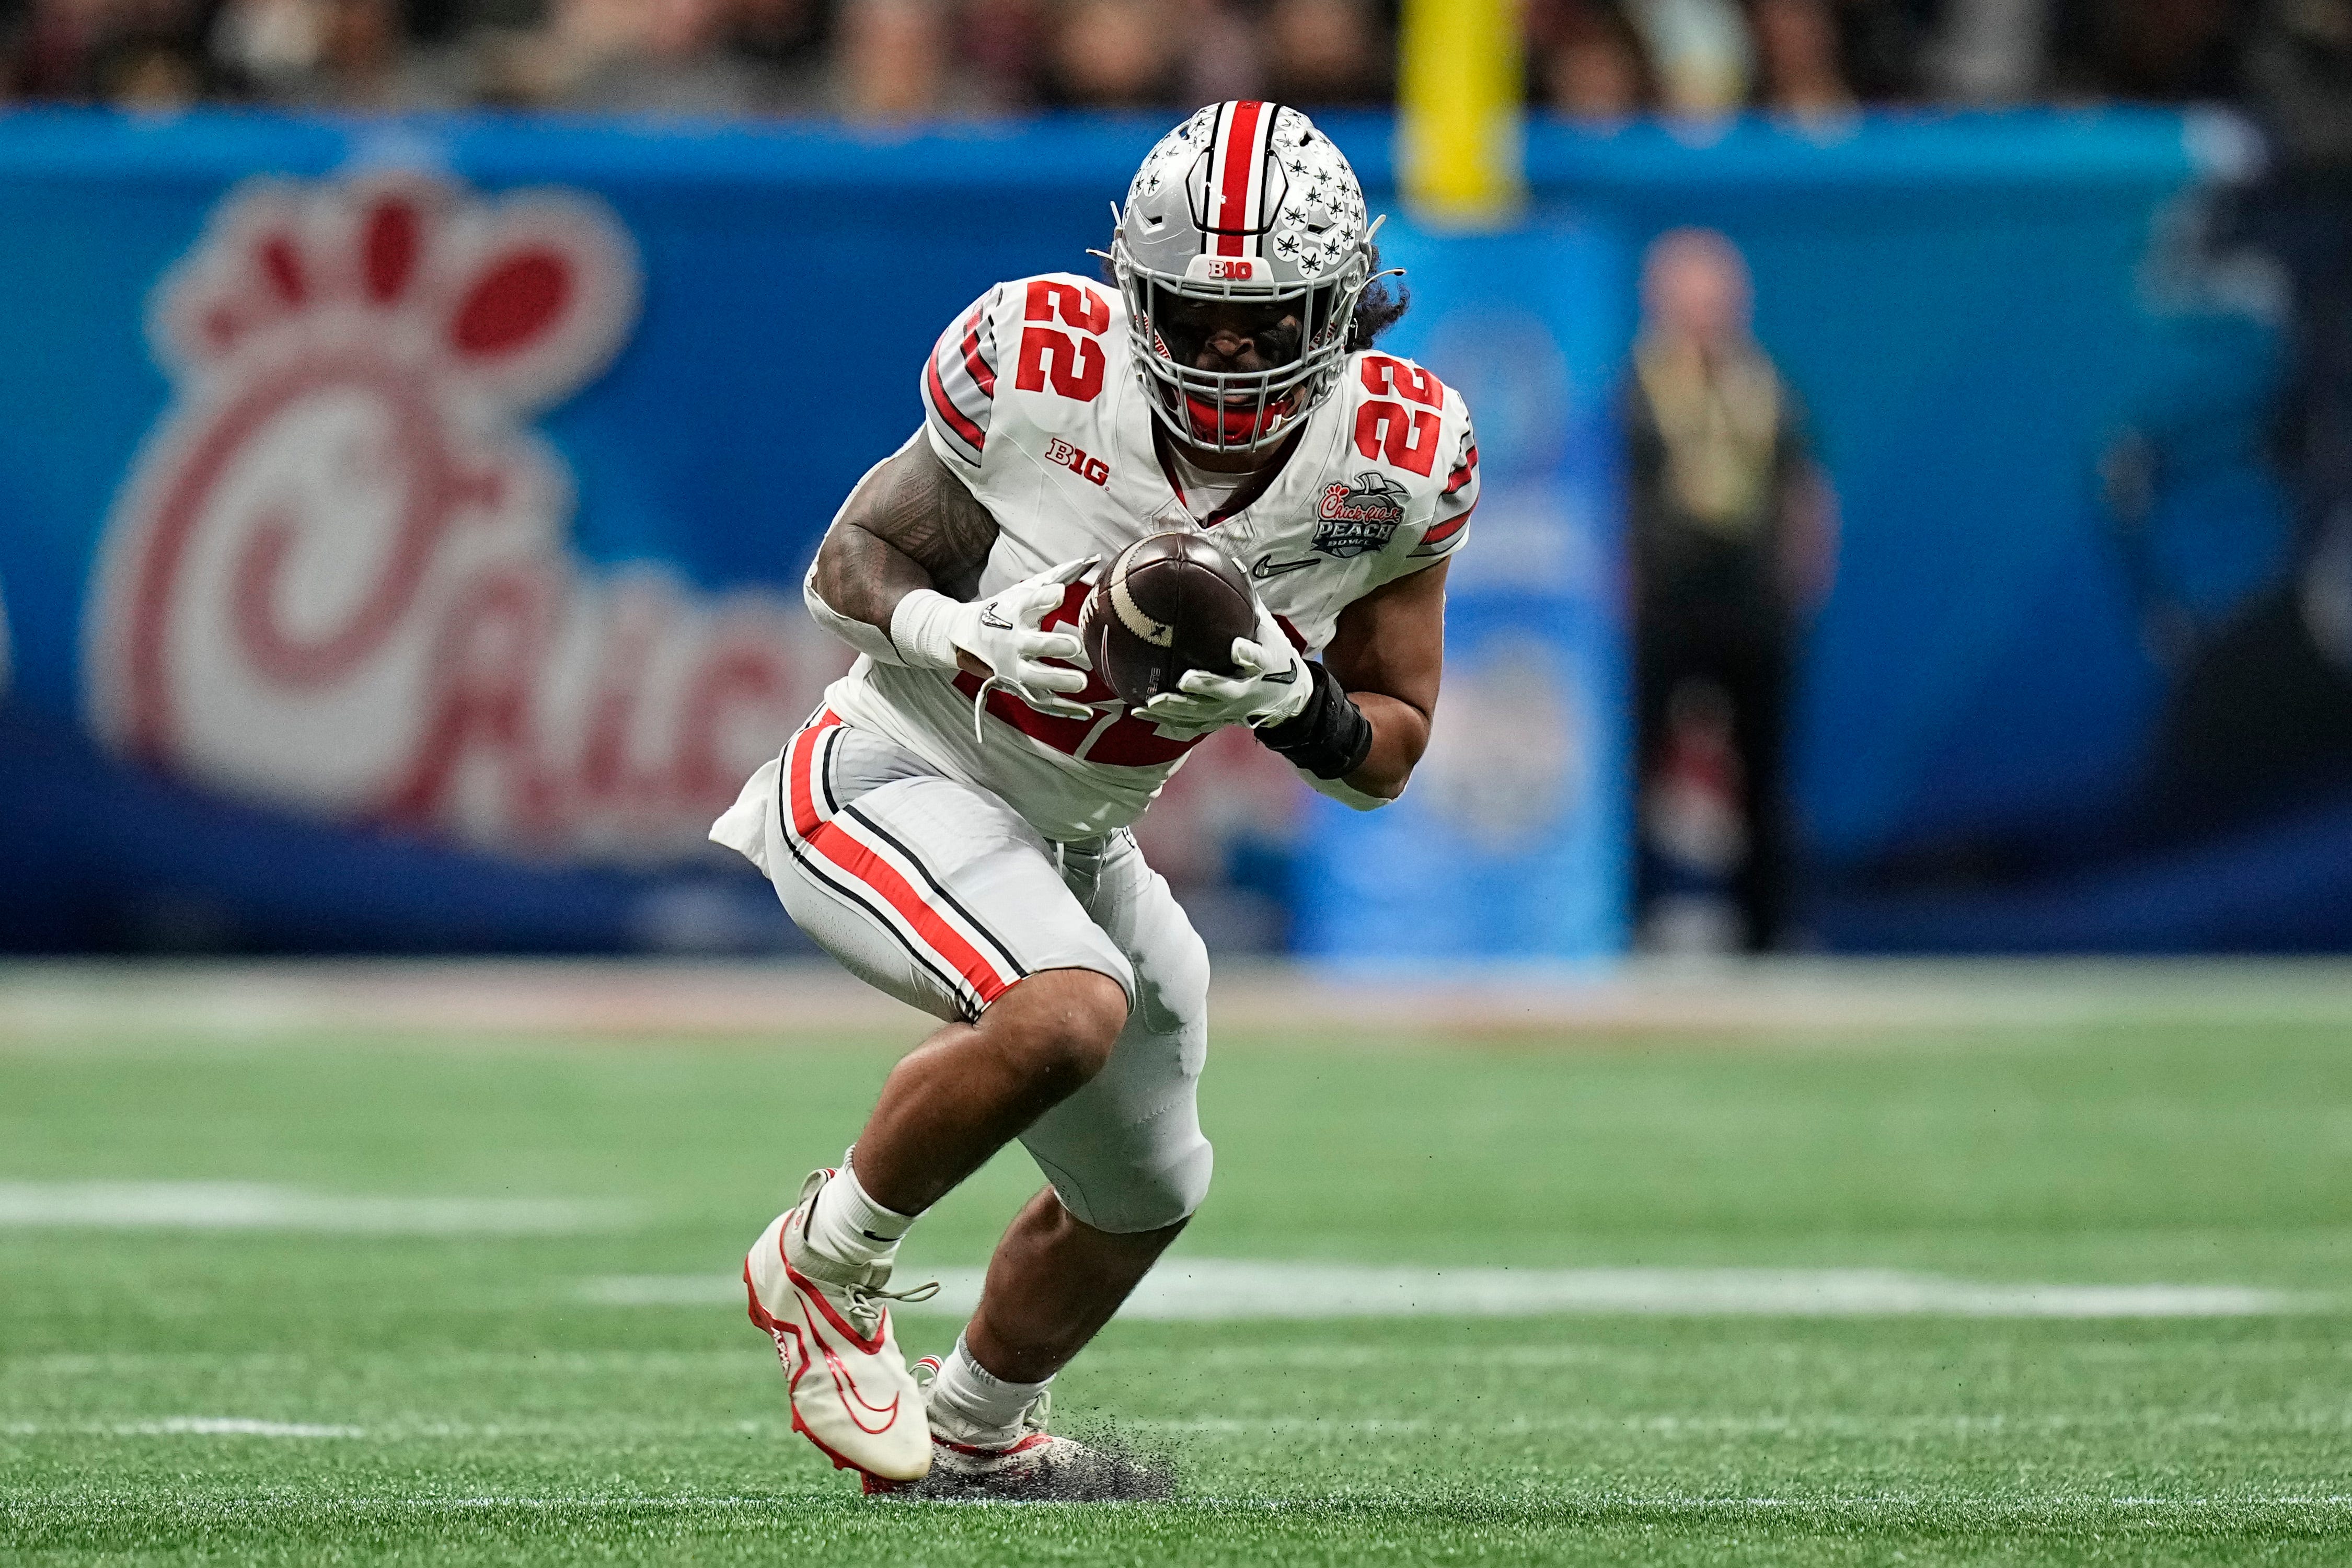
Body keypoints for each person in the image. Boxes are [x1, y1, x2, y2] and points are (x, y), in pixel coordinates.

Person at [709, 101, 1477, 1498]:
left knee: (1143, 1191)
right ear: (1133, 300)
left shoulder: (1399, 456)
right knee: (1067, 1008)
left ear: (1344, 307)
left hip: (1075, 829)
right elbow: (847, 568)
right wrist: (952, 630)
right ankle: (822, 1265)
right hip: (900, 760)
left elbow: (1393, 747)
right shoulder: (1040, 363)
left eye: (1267, 321)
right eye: (1192, 318)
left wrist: (1297, 710)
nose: (1229, 354)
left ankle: (977, 1433)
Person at [1624, 227, 1832, 952]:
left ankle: (1767, 931)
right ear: (1660, 302)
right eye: (1691, 295)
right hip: (1662, 603)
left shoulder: (1768, 385)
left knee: (1766, 771)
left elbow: (1805, 487)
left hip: (1751, 603)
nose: (1706, 311)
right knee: (1635, 768)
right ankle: (1626, 921)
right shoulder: (1633, 389)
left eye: (1717, 295)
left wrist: (1802, 571)